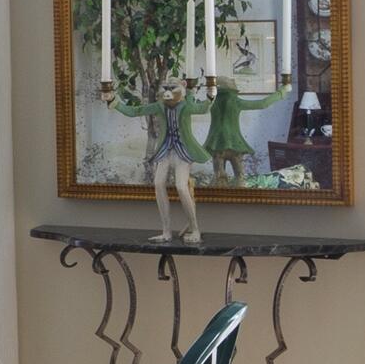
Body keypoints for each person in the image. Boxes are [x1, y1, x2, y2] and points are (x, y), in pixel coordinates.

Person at [110, 73, 211, 244]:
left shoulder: (186, 106)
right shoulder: (159, 106)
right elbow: (136, 111)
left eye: (173, 88)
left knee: (181, 186)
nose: (168, 92)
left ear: (182, 88)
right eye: (166, 88)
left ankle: (195, 229)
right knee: (158, 184)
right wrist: (114, 102)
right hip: (165, 150)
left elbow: (203, 109)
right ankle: (166, 231)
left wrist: (210, 96)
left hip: (183, 152)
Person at [202, 75, 291, 184]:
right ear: (232, 89)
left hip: (216, 145)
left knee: (218, 177)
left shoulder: (211, 102)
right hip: (235, 145)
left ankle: (217, 198)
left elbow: (197, 108)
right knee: (240, 177)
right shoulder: (235, 101)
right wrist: (282, 92)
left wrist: (188, 93)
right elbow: (262, 104)